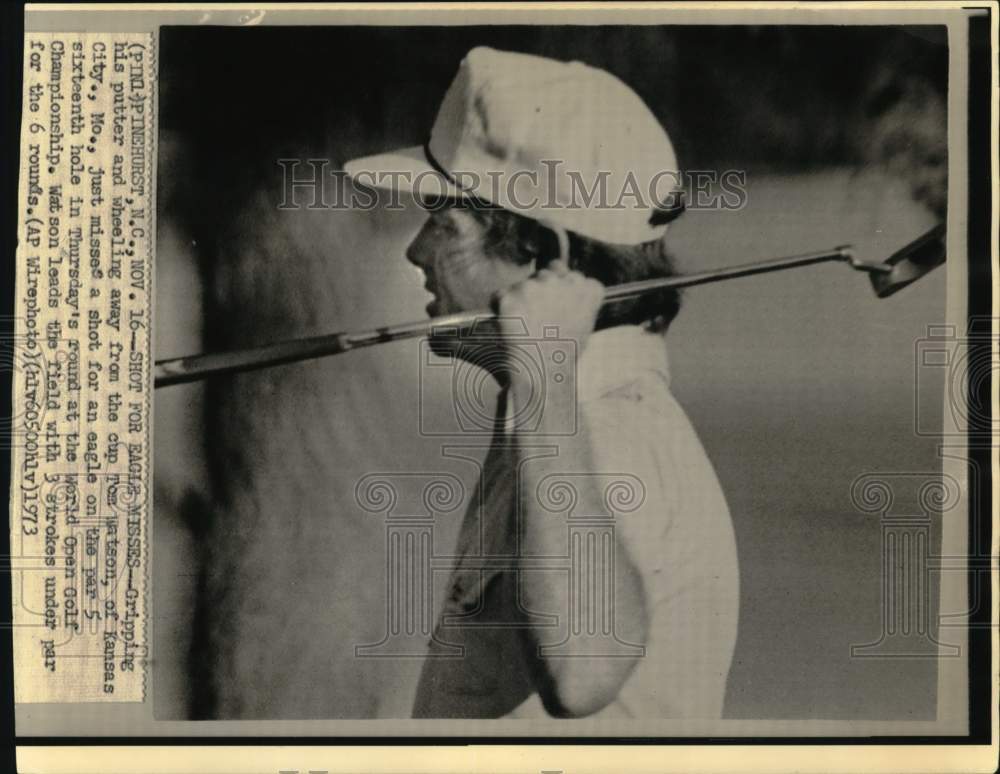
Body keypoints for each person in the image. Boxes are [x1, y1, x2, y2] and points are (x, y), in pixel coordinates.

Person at [345, 46, 739, 719]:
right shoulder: (561, 414)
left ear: (544, 255)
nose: (416, 251)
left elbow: (584, 671)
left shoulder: (603, 429)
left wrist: (547, 374)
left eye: (444, 221)